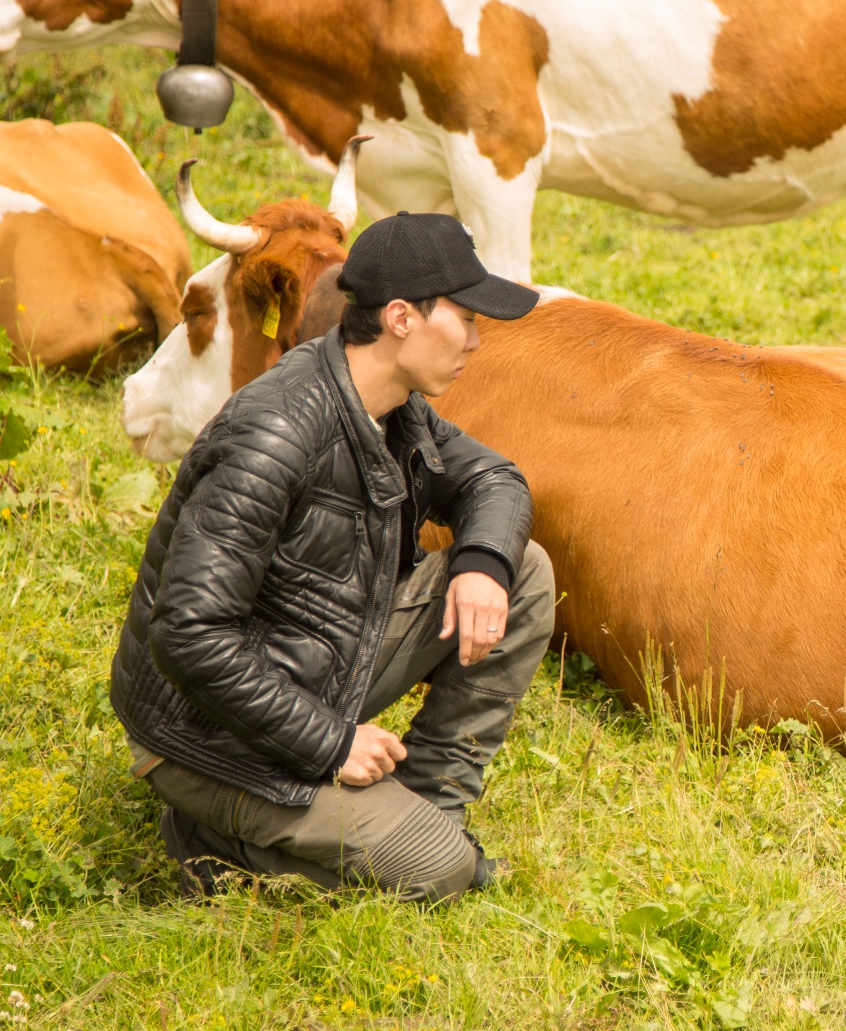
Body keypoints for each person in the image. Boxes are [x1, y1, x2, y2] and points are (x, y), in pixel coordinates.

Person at [110, 212, 554, 901]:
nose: (474, 338)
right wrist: (331, 744)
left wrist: (481, 567)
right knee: (442, 873)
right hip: (204, 730)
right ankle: (209, 840)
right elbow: (188, 636)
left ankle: (428, 799)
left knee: (521, 571)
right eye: (464, 318)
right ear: (402, 318)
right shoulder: (275, 434)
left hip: (311, 660)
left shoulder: (391, 400)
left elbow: (492, 479)